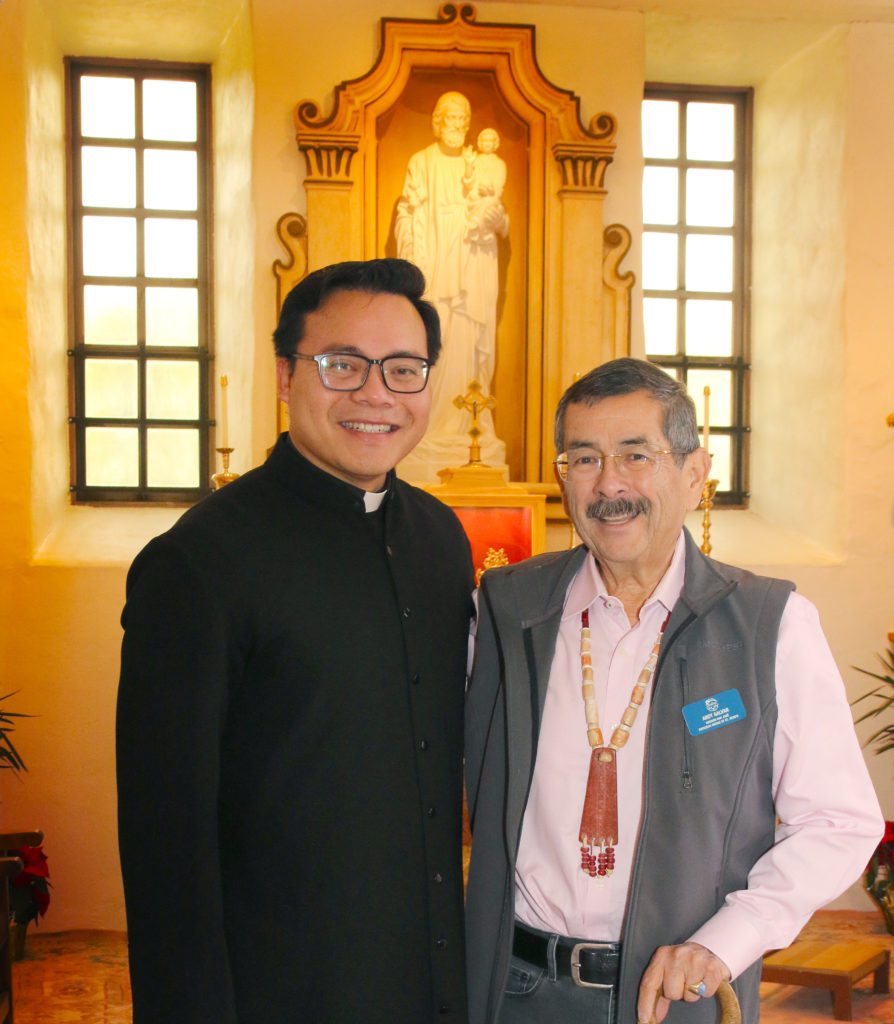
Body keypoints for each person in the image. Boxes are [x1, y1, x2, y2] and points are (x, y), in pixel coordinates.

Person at [464, 357, 883, 1024]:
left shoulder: (770, 625)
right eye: (584, 459)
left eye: (636, 456)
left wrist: (726, 943)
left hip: (682, 996)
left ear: (694, 474)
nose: (609, 485)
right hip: (518, 991)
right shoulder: (504, 613)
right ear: (560, 479)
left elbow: (838, 821)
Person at [117, 258, 475, 1023]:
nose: (376, 394)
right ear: (285, 376)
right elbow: (166, 847)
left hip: (430, 984)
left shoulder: (441, 538)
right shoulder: (199, 563)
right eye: (342, 364)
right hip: (282, 991)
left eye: (404, 369)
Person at [395, 92, 508, 477]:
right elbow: (407, 213)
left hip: (475, 263)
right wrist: (415, 261)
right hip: (435, 262)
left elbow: (499, 213)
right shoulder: (421, 161)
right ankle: (426, 432)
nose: (457, 127)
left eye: (463, 121)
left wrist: (493, 221)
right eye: (451, 119)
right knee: (434, 340)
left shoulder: (481, 165)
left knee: (469, 340)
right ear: (438, 121)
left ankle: (471, 431)